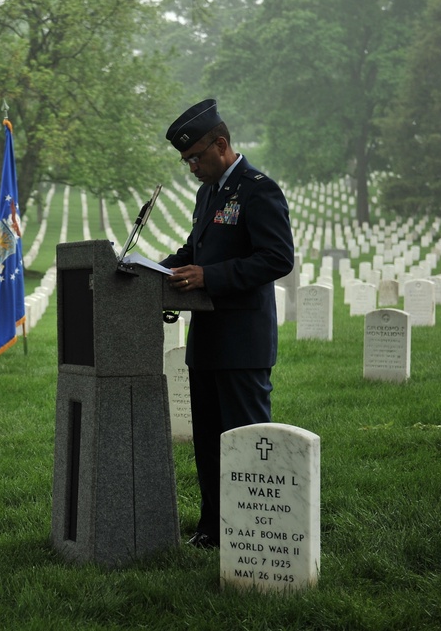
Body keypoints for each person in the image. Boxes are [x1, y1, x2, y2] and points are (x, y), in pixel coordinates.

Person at [160, 99, 295, 549]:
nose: (192, 167)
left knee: (247, 440)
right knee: (210, 442)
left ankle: (259, 530)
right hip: (208, 339)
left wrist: (210, 277)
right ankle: (213, 529)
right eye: (187, 161)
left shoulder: (259, 190)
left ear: (222, 144)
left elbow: (277, 258)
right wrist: (151, 271)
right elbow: (194, 253)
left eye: (196, 156)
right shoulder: (209, 193)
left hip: (243, 341)